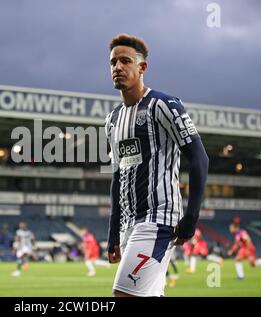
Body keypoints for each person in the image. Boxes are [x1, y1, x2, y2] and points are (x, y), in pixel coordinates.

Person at [105, 34, 209, 297]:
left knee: (123, 294)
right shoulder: (112, 120)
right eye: (113, 62)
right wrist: (113, 233)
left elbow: (199, 158)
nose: (118, 67)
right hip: (129, 225)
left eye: (125, 61)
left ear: (142, 68)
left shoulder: (164, 105)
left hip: (158, 220)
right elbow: (118, 177)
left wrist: (191, 217)